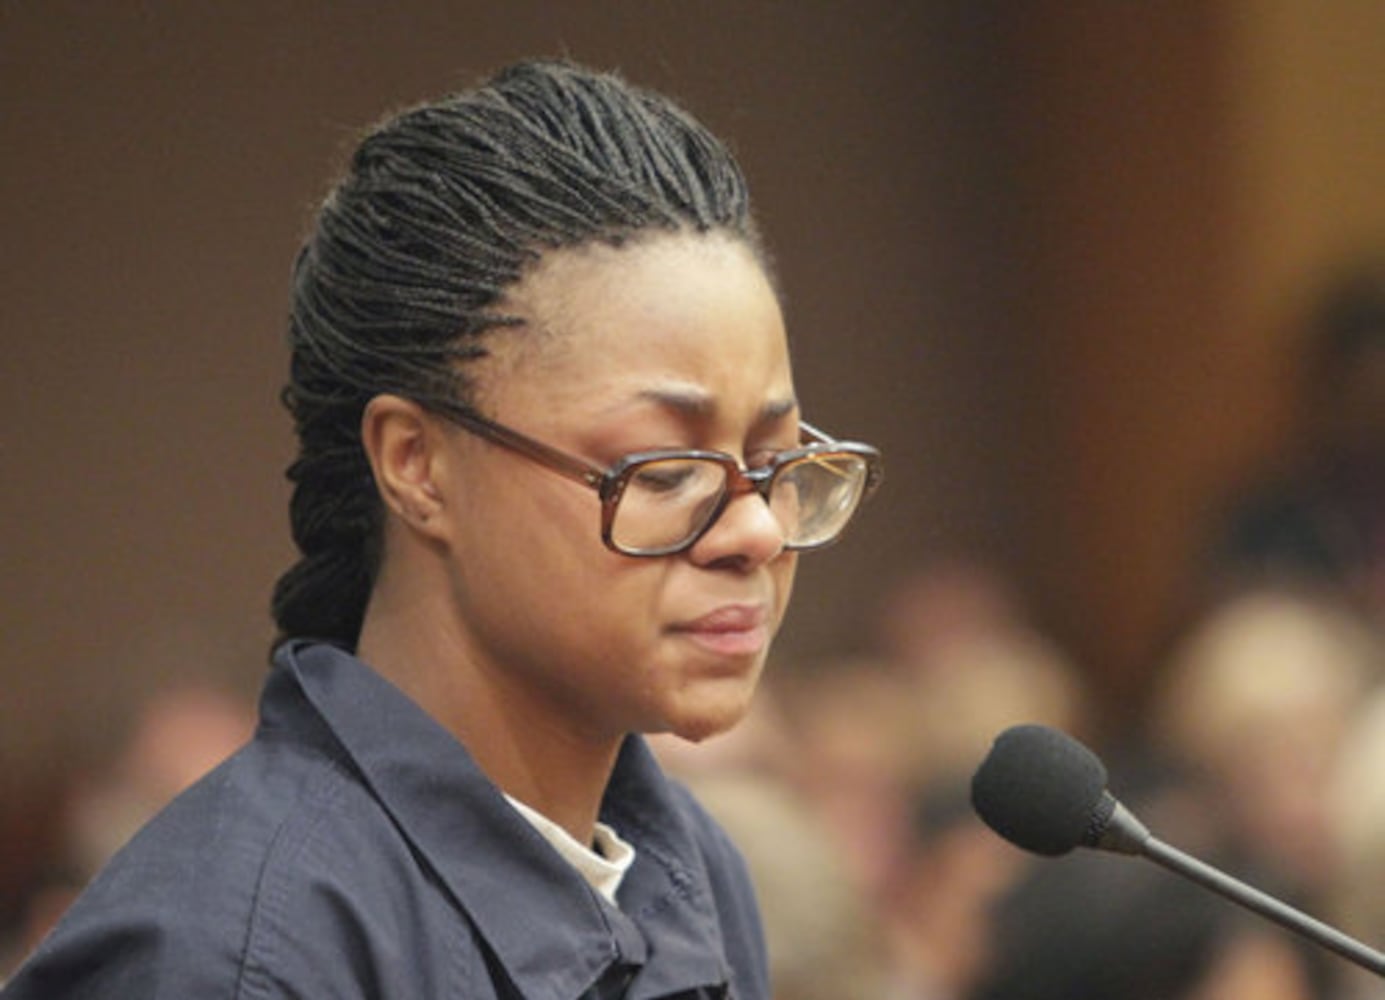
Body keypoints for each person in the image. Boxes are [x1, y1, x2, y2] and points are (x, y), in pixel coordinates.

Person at [2, 59, 882, 998]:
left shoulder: (691, 873)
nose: (753, 531)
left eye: (774, 460)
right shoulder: (230, 957)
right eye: (665, 470)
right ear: (417, 465)